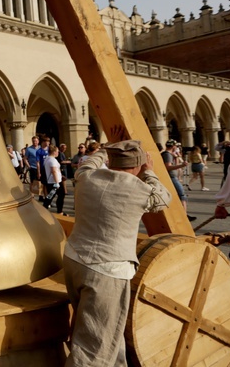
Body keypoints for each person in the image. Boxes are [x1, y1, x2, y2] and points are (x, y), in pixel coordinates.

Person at [64, 140, 171, 366]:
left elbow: (87, 164)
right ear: (138, 165)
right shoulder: (140, 189)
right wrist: (150, 171)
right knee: (95, 348)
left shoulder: (87, 177)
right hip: (107, 270)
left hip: (75, 260)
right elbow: (163, 198)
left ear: (111, 161)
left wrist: (104, 150)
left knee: (108, 333)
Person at [162, 140, 195, 221]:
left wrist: (176, 157)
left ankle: (183, 214)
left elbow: (174, 165)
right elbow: (168, 167)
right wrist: (182, 165)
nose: (177, 147)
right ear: (173, 146)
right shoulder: (167, 155)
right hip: (171, 177)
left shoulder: (169, 154)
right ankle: (184, 215)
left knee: (177, 196)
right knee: (182, 195)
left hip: (173, 177)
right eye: (176, 146)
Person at [42, 145, 66, 215]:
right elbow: (54, 171)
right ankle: (59, 211)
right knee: (60, 195)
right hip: (54, 181)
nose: (58, 153)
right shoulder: (53, 160)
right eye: (57, 151)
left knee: (50, 196)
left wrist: (61, 176)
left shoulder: (47, 159)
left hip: (51, 181)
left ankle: (45, 208)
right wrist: (57, 182)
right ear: (54, 152)